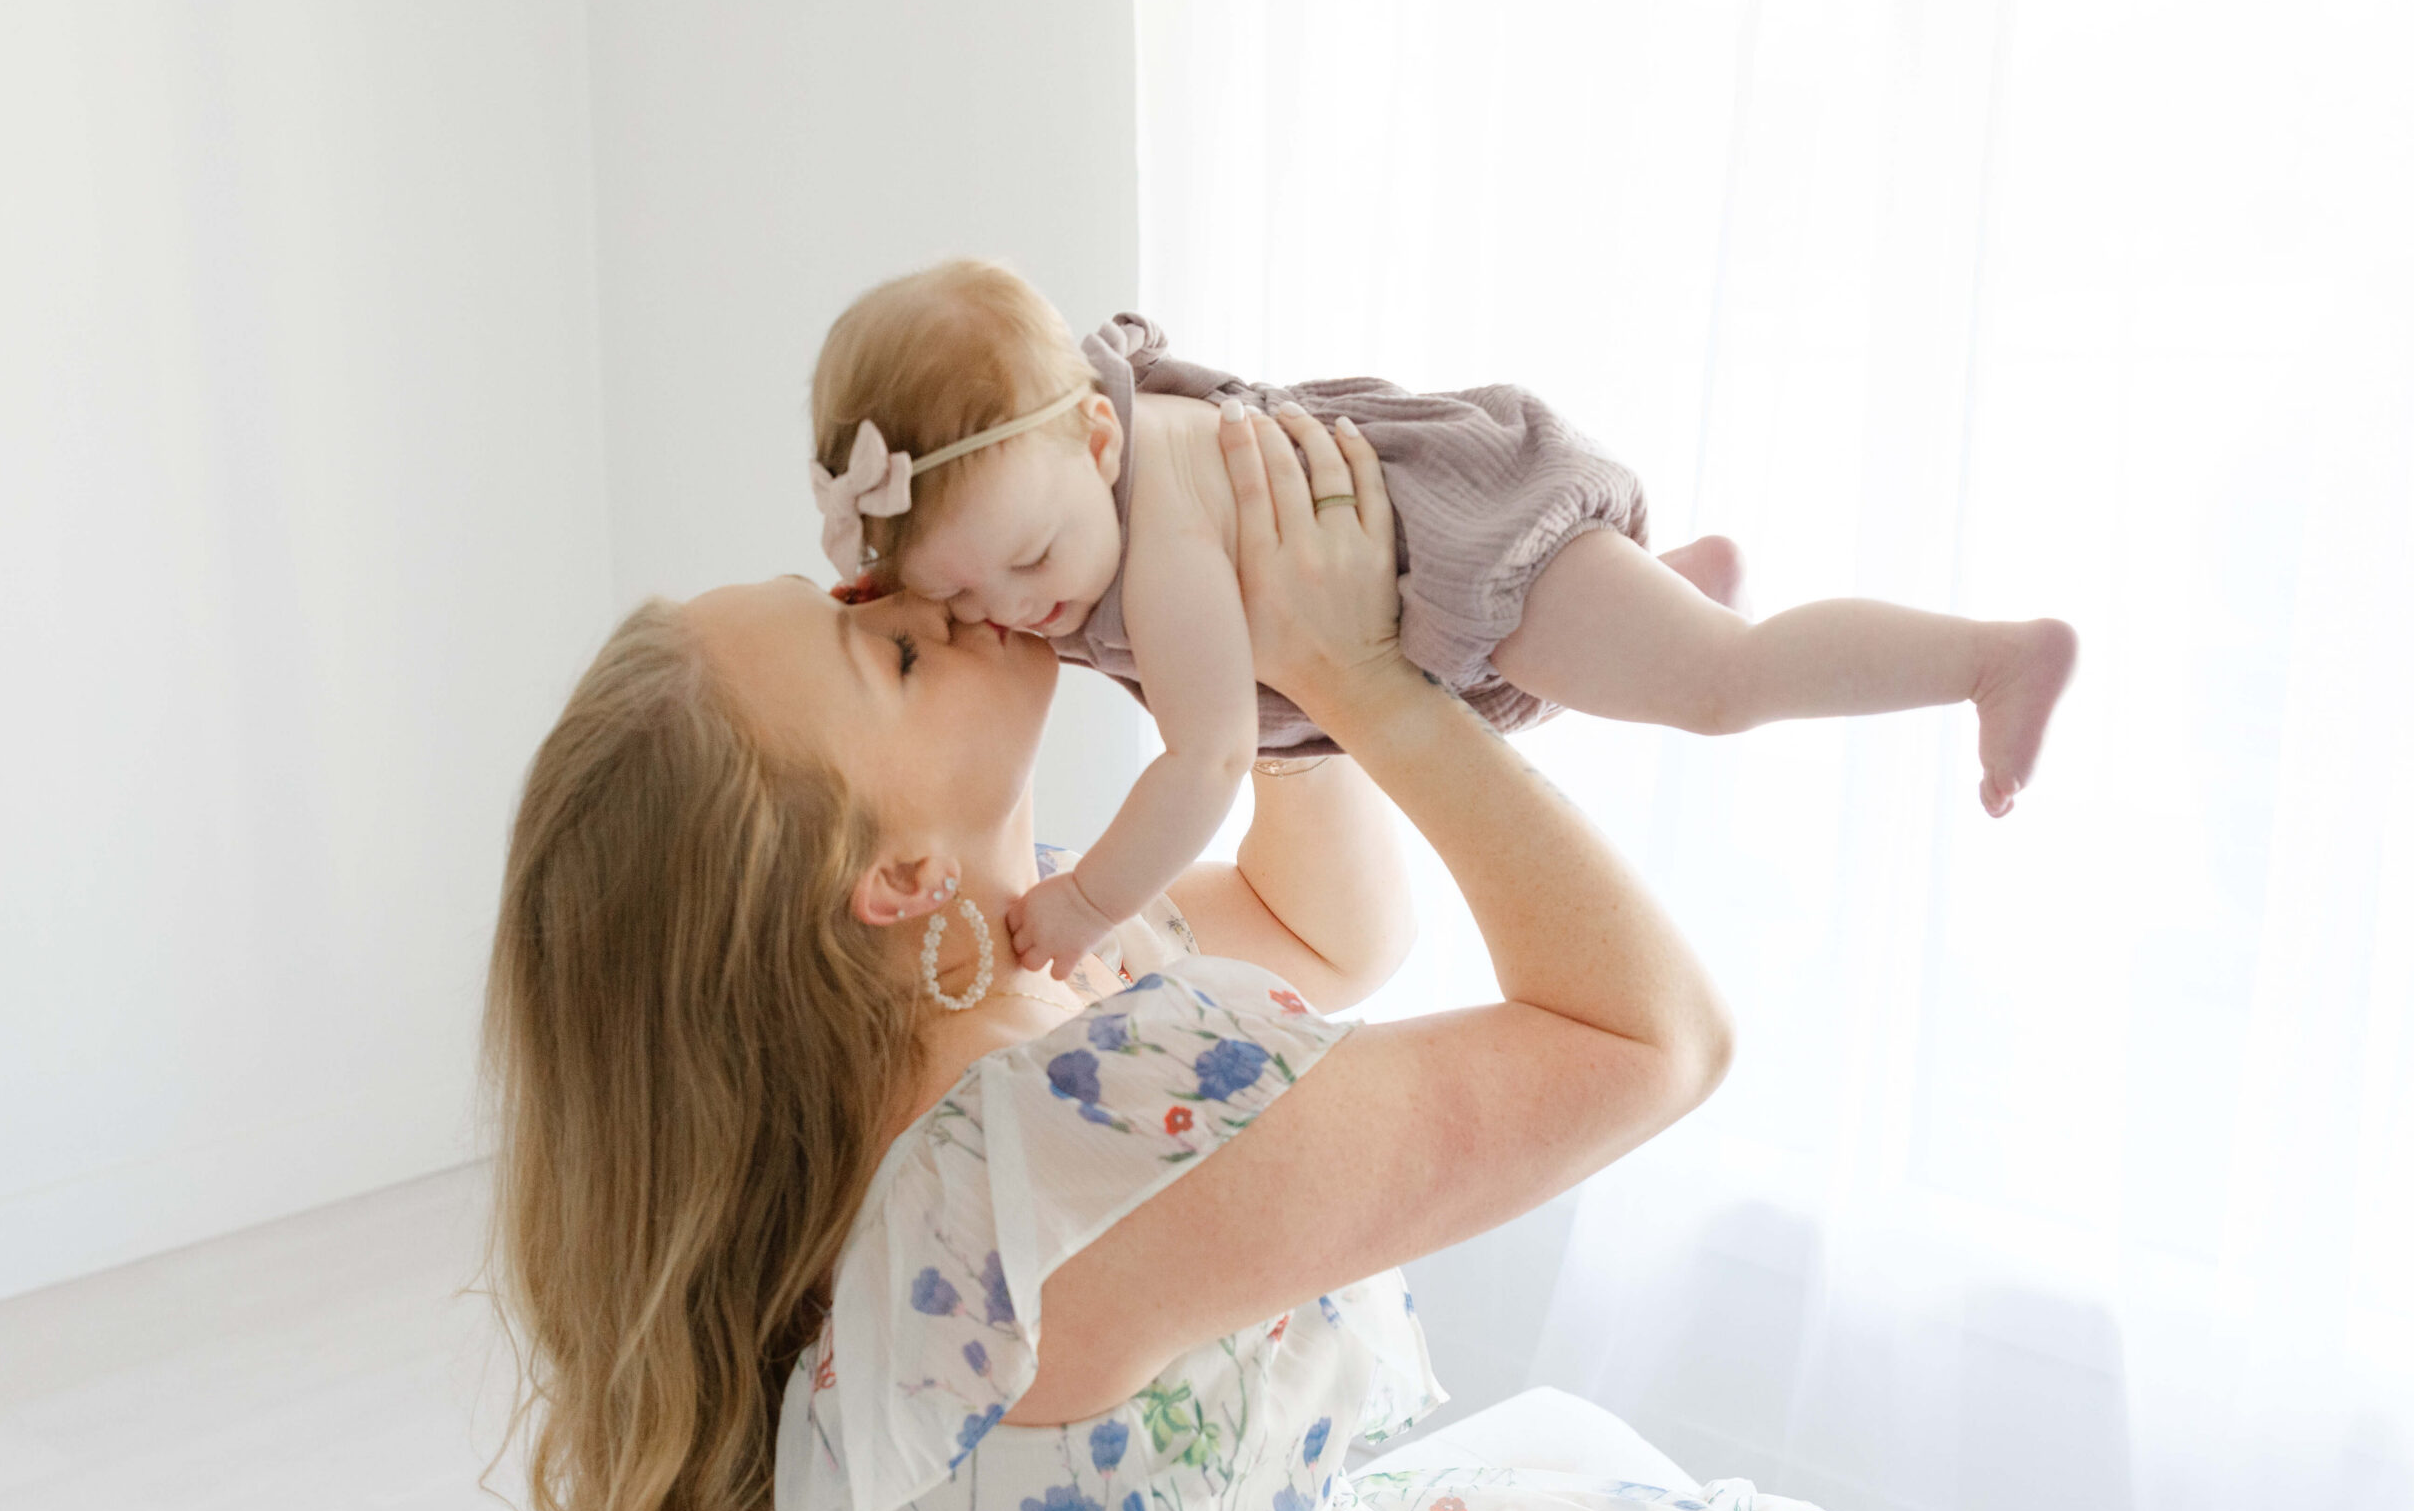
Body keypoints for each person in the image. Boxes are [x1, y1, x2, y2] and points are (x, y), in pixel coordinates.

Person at [487, 405, 1925, 1511]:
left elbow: (1330, 924)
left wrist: (1251, 683)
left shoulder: (996, 967)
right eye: (896, 647)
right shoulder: (1067, 1172)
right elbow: (1656, 1037)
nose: (920, 586)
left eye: (859, 588)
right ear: (896, 876)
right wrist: (1367, 677)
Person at [808, 258, 2078, 978]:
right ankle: (1672, 581)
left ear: (1099, 436)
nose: (1017, 613)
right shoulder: (1046, 502)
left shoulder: (1164, 543)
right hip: (1441, 589)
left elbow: (1203, 762)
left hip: (1470, 556)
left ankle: (1985, 662)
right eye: (957, 601)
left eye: (1025, 563)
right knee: (1617, 654)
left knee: (1721, 688)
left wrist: (1089, 902)